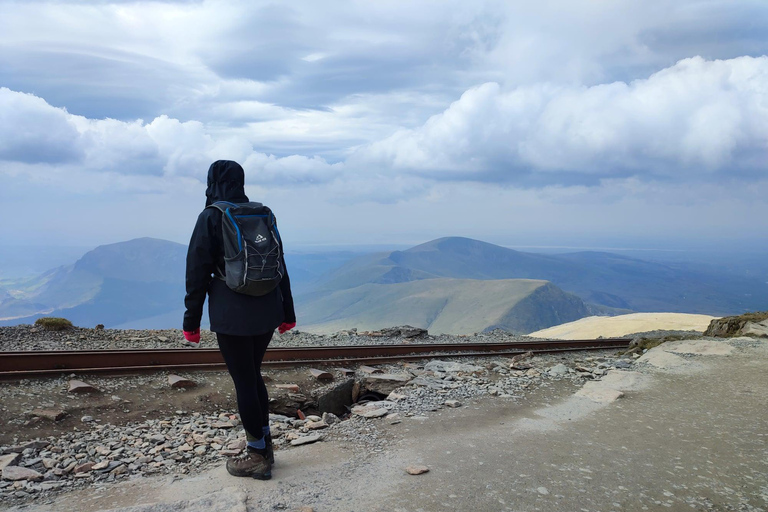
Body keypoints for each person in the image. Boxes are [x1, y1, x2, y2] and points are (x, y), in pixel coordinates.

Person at [182, 160, 296, 480]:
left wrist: (191, 322)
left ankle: (257, 454)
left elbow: (196, 273)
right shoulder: (262, 213)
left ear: (213, 182)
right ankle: (265, 444)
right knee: (253, 374)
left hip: (233, 314)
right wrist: (287, 313)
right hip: (267, 310)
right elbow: (280, 264)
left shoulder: (212, 216)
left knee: (245, 379)